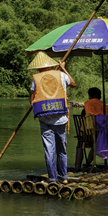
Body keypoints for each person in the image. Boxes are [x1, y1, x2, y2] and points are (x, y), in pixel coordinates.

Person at [28, 51, 76, 184]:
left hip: (44, 119)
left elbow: (32, 99)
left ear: (39, 66)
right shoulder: (60, 75)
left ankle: (53, 179)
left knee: (49, 151)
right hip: (60, 118)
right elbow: (73, 83)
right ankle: (63, 177)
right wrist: (63, 68)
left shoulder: (36, 78)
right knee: (62, 150)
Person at [79, 87, 104, 169]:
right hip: (99, 135)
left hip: (86, 135)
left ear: (89, 96)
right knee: (95, 144)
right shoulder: (103, 106)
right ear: (99, 96)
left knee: (79, 145)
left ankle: (77, 165)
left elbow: (82, 123)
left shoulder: (85, 108)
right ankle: (88, 163)